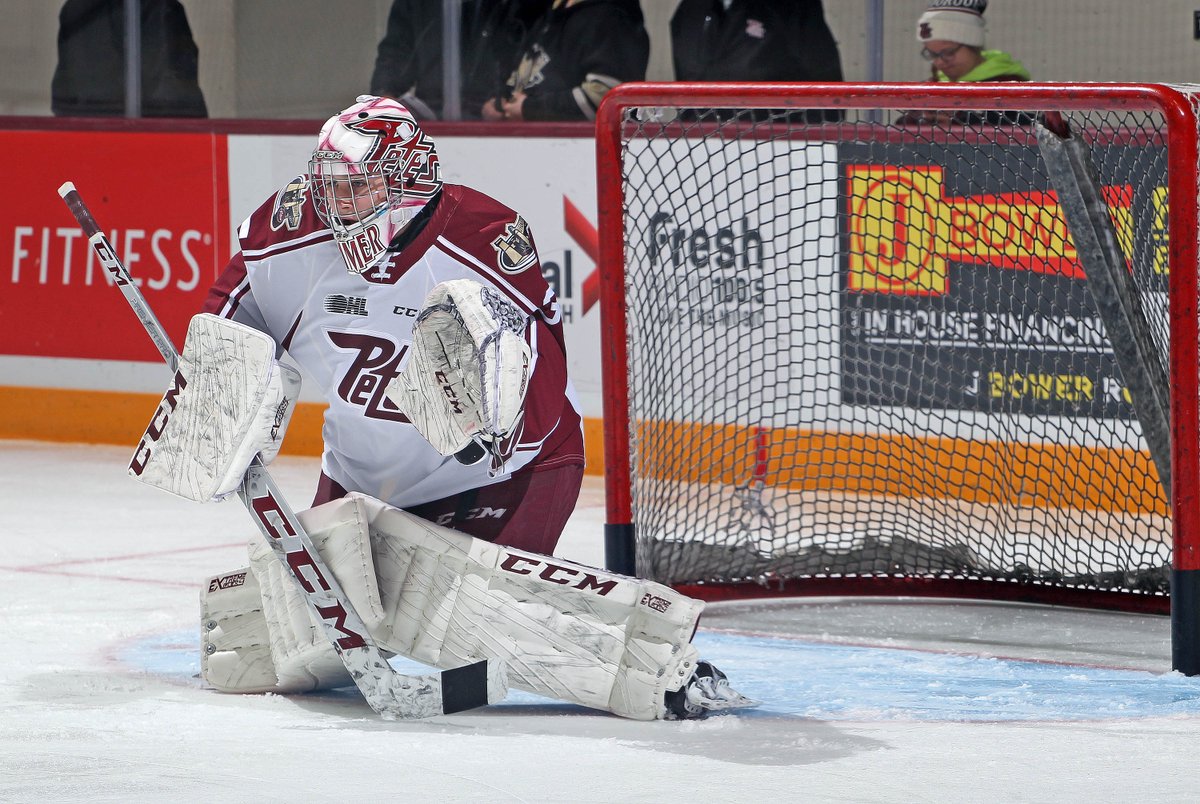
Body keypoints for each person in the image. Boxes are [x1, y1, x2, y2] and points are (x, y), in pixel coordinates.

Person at [203, 94, 583, 555]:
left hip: (500, 478)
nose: (338, 204)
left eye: (358, 186)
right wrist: (216, 399)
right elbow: (230, 320)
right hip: (359, 479)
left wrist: (504, 437)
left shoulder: (484, 238)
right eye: (330, 186)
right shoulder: (290, 230)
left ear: (409, 179)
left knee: (465, 606)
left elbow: (545, 361)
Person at [369, 0, 549, 120]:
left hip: (498, 121)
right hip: (433, 119)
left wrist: (514, 104)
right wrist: (385, 98)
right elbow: (396, 53)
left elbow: (540, 55)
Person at [668, 0, 844, 122]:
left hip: (775, 149)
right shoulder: (690, 10)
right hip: (697, 149)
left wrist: (815, 149)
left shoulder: (792, 8)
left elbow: (828, 88)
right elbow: (686, 81)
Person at [481, 0, 648, 122]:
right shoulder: (552, 15)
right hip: (536, 148)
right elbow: (522, 78)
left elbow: (609, 98)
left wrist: (530, 109)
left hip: (580, 154)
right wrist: (499, 103)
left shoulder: (613, 17)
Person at [51, 0, 207, 118]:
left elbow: (64, 99)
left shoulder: (75, 11)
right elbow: (174, 99)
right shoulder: (160, 7)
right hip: (146, 139)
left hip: (89, 138)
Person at [899, 0, 1031, 125]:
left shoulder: (1011, 90)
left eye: (948, 52)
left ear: (973, 47)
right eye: (932, 54)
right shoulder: (929, 90)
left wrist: (955, 125)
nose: (939, 62)